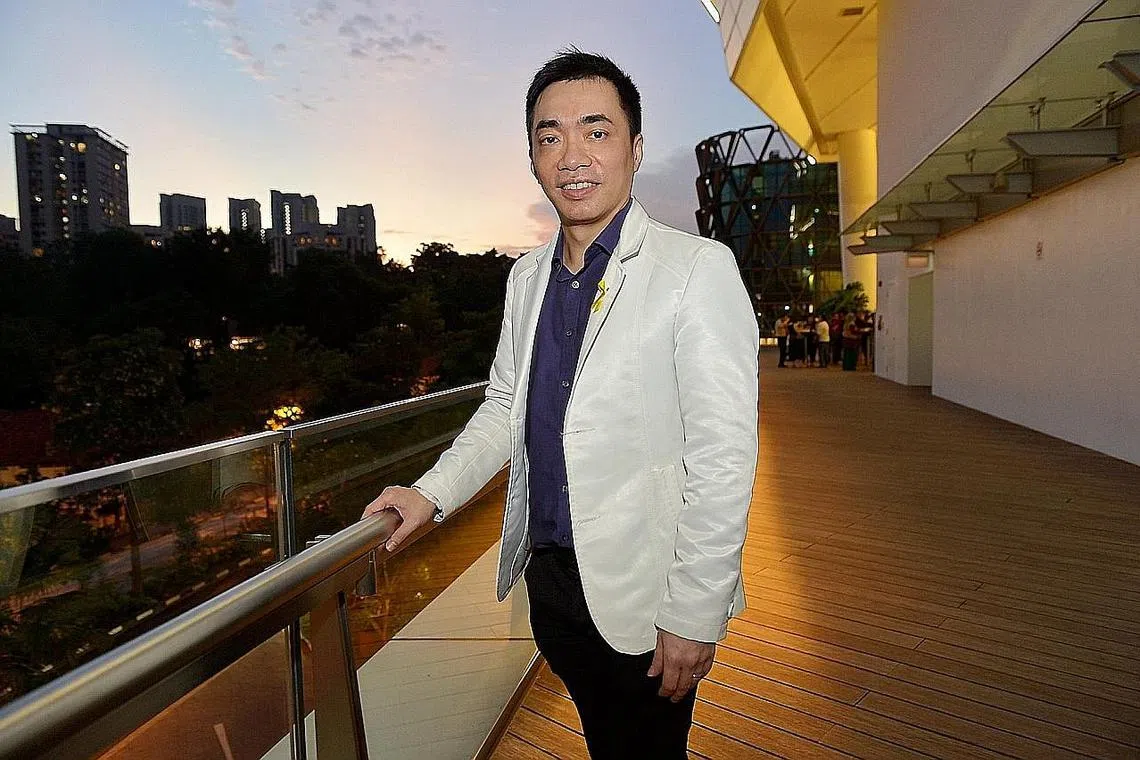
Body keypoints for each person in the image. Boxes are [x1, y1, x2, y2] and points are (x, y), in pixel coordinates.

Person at [360, 50, 758, 759]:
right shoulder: (527, 278)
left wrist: (695, 612)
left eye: (597, 131)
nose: (573, 155)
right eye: (551, 136)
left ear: (636, 149)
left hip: (647, 594)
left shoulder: (695, 270)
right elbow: (504, 408)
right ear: (533, 158)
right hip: (551, 583)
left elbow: (723, 457)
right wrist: (430, 493)